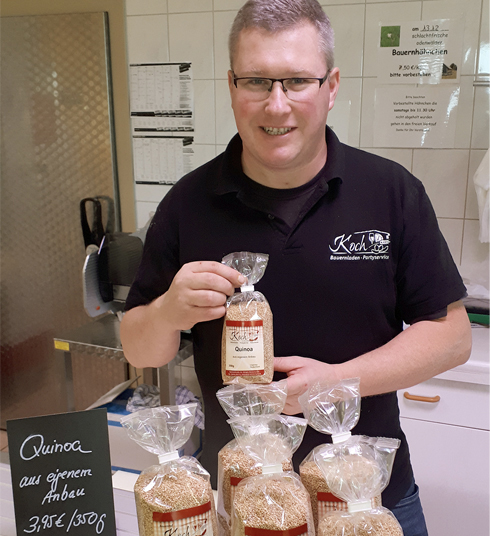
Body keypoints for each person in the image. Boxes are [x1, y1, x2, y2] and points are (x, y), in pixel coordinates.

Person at [120, 1, 471, 534]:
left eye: (296, 81)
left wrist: (336, 384)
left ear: (331, 86)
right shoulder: (187, 204)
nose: (276, 105)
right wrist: (168, 311)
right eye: (256, 81)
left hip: (368, 500)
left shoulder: (390, 192)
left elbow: (452, 338)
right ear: (232, 84)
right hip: (241, 500)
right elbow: (139, 347)